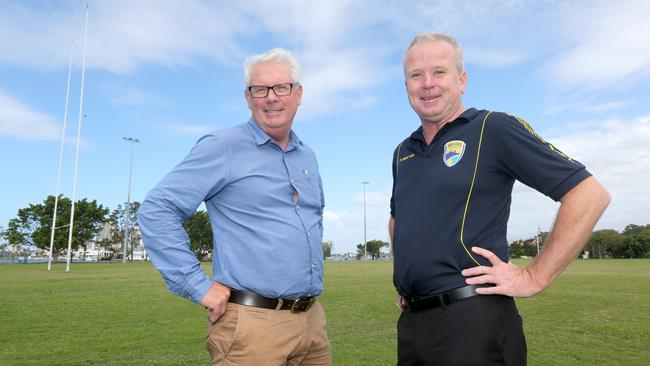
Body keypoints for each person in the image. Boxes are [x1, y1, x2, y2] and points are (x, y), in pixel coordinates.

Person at [389, 31, 610, 365]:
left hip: (473, 321)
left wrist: (533, 277)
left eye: (439, 72)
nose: (427, 83)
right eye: (416, 75)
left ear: (461, 80)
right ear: (406, 85)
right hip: (413, 323)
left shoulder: (493, 129)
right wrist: (409, 275)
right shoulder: (404, 151)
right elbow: (398, 219)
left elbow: (588, 194)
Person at [138, 48, 331, 366]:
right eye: (260, 89)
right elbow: (157, 209)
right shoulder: (223, 147)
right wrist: (197, 285)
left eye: (281, 87)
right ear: (248, 97)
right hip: (252, 327)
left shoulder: (306, 155)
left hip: (312, 321)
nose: (271, 97)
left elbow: (313, 217)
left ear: (298, 94)